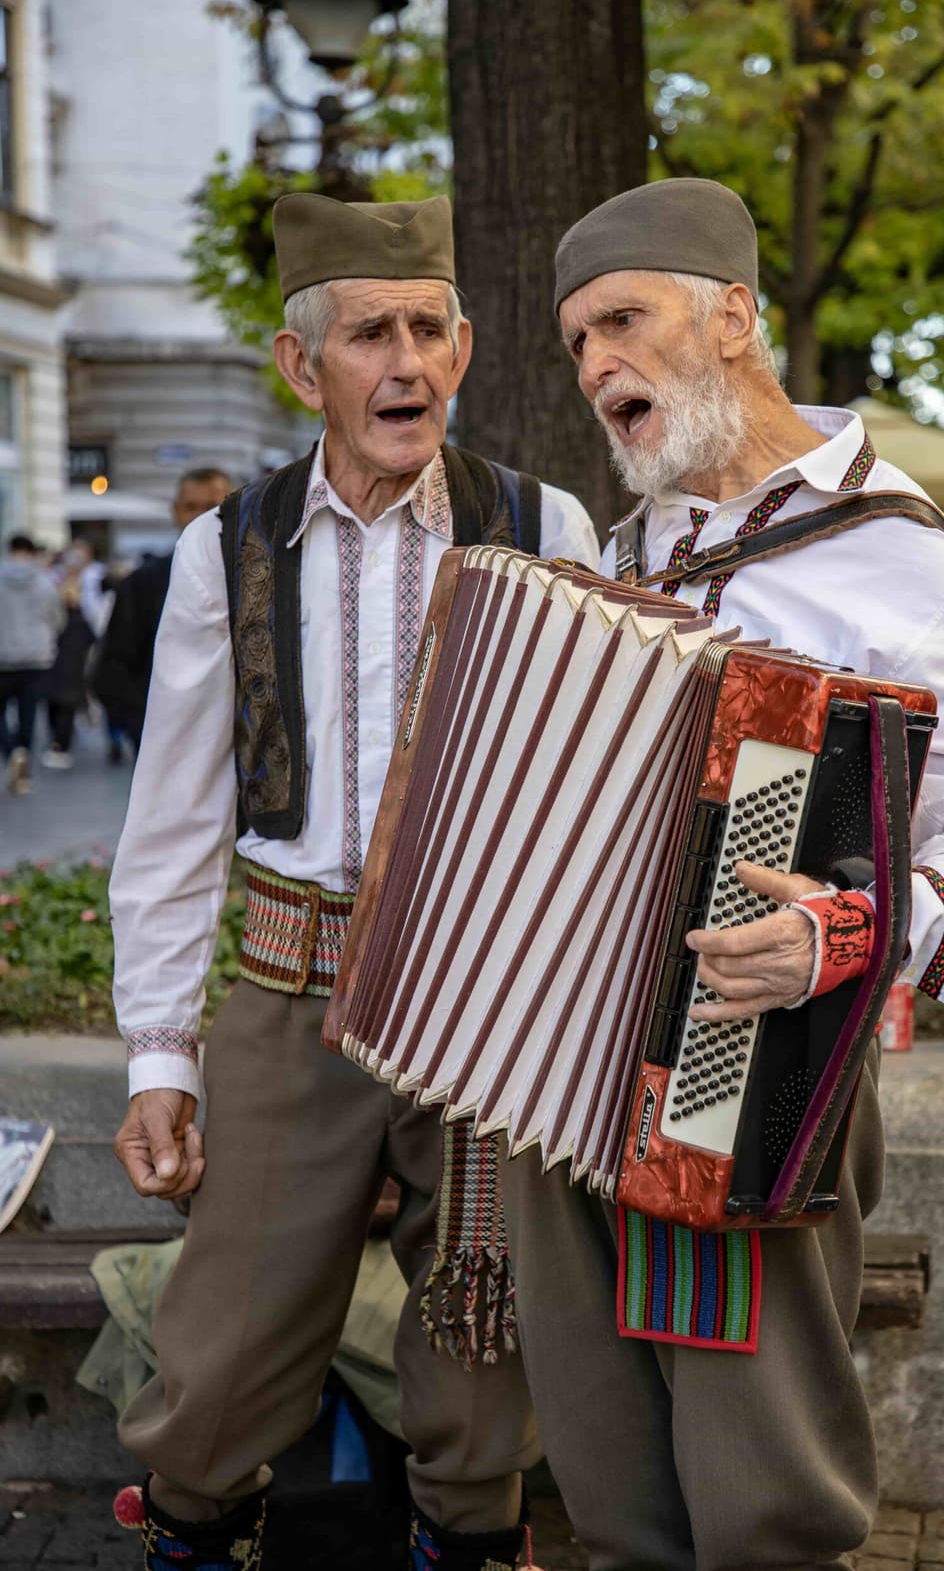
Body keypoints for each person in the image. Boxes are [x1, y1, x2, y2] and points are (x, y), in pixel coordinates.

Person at [497, 179, 944, 1571]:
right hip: (563, 1085)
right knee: (614, 1481)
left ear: (735, 317)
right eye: (578, 344)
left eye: (622, 323)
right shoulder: (627, 553)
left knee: (761, 1502)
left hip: (747, 1085)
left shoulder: (882, 544)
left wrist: (851, 932)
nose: (596, 368)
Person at [107, 193, 598, 1571]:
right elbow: (172, 821)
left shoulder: (545, 520)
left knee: (483, 1341)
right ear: (298, 362)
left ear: (467, 345)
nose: (408, 364)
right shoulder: (229, 546)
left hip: (485, 1010)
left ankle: (470, 1544)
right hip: (285, 990)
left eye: (431, 330)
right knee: (220, 1361)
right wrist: (160, 1056)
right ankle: (196, 1536)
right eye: (371, 333)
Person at [91, 468, 232, 753]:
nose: (203, 517)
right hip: (170, 745)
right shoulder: (144, 582)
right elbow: (111, 670)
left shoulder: (263, 577)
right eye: (192, 507)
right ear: (176, 512)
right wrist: (150, 730)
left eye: (213, 507)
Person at [0, 533, 63, 794]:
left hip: (2, 657)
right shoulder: (44, 582)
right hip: (36, 657)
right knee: (28, 716)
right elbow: (57, 619)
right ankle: (24, 769)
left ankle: (12, 749)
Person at [42, 575, 96, 768]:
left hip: (53, 667)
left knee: (56, 709)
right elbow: (92, 640)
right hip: (74, 671)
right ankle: (60, 746)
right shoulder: (81, 619)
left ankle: (58, 745)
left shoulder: (55, 619)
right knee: (66, 710)